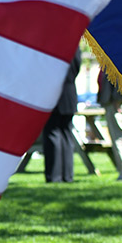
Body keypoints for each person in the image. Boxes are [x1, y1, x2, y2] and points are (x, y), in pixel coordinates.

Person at [42, 49, 81, 183]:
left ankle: (54, 175)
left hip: (55, 94)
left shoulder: (57, 46)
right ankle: (67, 175)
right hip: (70, 94)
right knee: (66, 134)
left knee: (53, 133)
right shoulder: (75, 47)